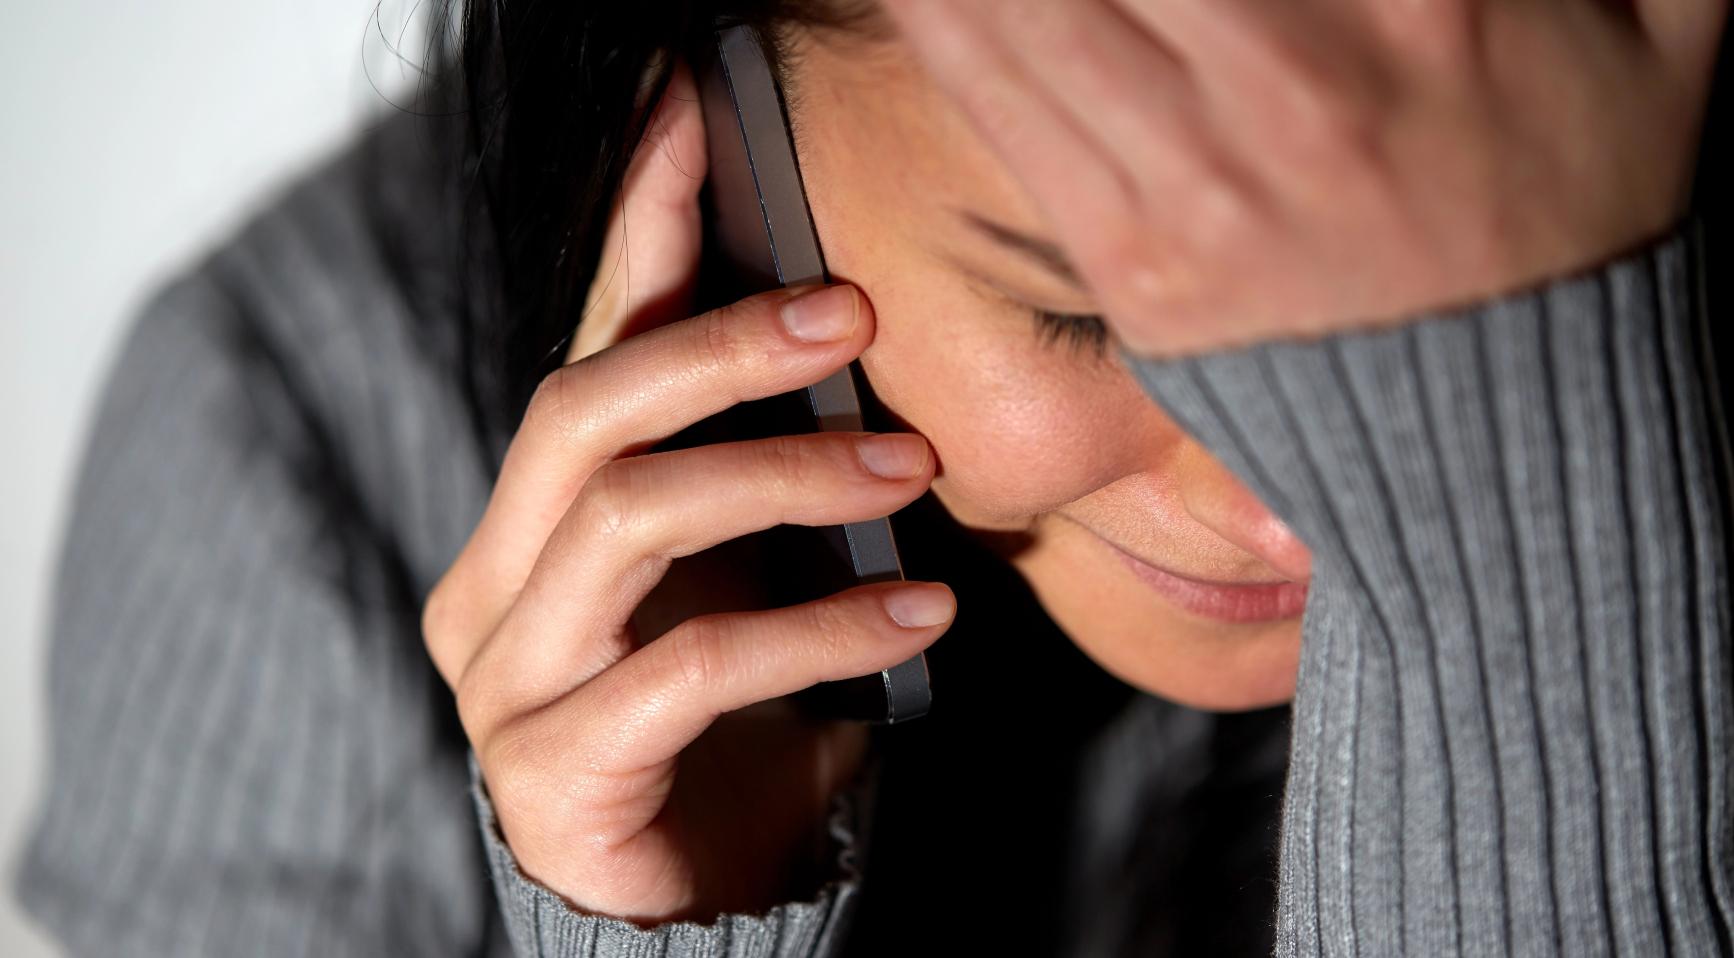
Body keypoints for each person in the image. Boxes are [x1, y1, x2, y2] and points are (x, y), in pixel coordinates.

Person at [13, 0, 1732, 955]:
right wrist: (664, 939)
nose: (1294, 508)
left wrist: (1536, 539)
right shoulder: (288, 436)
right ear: (716, 120)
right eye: (1085, 304)